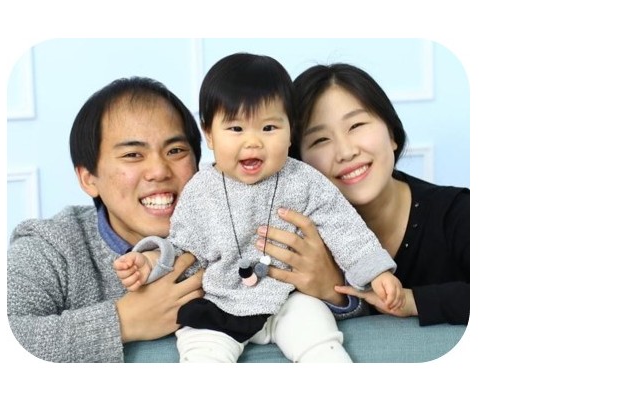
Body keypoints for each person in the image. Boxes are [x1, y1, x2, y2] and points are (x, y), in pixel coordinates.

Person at [113, 53, 403, 363]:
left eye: (269, 128)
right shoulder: (200, 190)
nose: (253, 142)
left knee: (321, 340)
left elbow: (343, 226)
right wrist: (151, 261)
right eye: (236, 129)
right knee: (200, 350)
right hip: (221, 300)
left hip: (288, 298)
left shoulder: (304, 180)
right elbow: (185, 247)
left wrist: (376, 272)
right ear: (209, 134)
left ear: (290, 131)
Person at [7, 77, 207, 362]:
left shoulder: (233, 226)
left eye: (175, 151)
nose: (159, 171)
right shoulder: (52, 246)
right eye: (133, 154)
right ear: (89, 179)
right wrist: (124, 321)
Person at [281, 62, 470, 326]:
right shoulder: (296, 238)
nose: (346, 152)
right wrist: (333, 294)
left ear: (392, 133)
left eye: (356, 125)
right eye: (320, 140)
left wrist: (412, 300)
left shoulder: (459, 213)